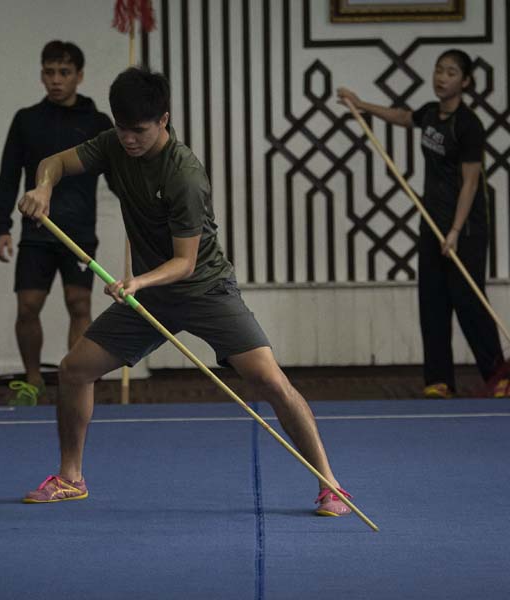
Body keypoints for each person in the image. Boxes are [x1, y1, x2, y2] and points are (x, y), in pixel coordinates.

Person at [18, 67, 352, 517]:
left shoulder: (184, 175)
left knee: (271, 381)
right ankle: (70, 478)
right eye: (122, 128)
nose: (129, 139)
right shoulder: (113, 143)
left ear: (164, 120)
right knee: (75, 369)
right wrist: (43, 188)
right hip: (149, 295)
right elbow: (55, 162)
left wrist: (137, 280)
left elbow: (185, 263)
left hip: (204, 289)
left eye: (139, 130)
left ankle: (330, 485)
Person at [337, 49, 507, 399]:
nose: (442, 77)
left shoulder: (469, 125)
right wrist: (361, 105)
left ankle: (499, 375)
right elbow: (402, 117)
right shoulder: (430, 114)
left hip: (467, 227)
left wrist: (456, 232)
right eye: (439, 70)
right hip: (432, 219)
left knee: (467, 299)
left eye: (450, 72)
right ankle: (439, 380)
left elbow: (471, 183)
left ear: (465, 81)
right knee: (432, 299)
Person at [0, 41, 114, 406]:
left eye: (64, 73)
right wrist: (1, 226)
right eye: (49, 72)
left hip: (78, 231)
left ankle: (76, 380)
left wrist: (140, 210)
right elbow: (9, 174)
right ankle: (32, 380)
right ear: (41, 74)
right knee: (28, 306)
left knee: (79, 305)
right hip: (36, 229)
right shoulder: (26, 119)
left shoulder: (98, 123)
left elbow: (120, 175)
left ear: (79, 76)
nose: (56, 80)